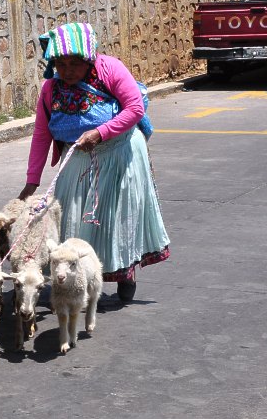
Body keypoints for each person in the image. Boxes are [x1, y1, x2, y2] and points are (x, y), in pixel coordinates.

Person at [18, 22, 170, 302]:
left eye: (74, 64)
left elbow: (134, 108)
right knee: (73, 220)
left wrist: (101, 132)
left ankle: (124, 271)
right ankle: (76, 279)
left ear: (89, 59)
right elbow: (42, 134)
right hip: (77, 157)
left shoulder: (110, 69)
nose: (67, 71)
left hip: (120, 153)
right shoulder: (51, 89)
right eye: (61, 64)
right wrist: (32, 181)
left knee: (115, 218)